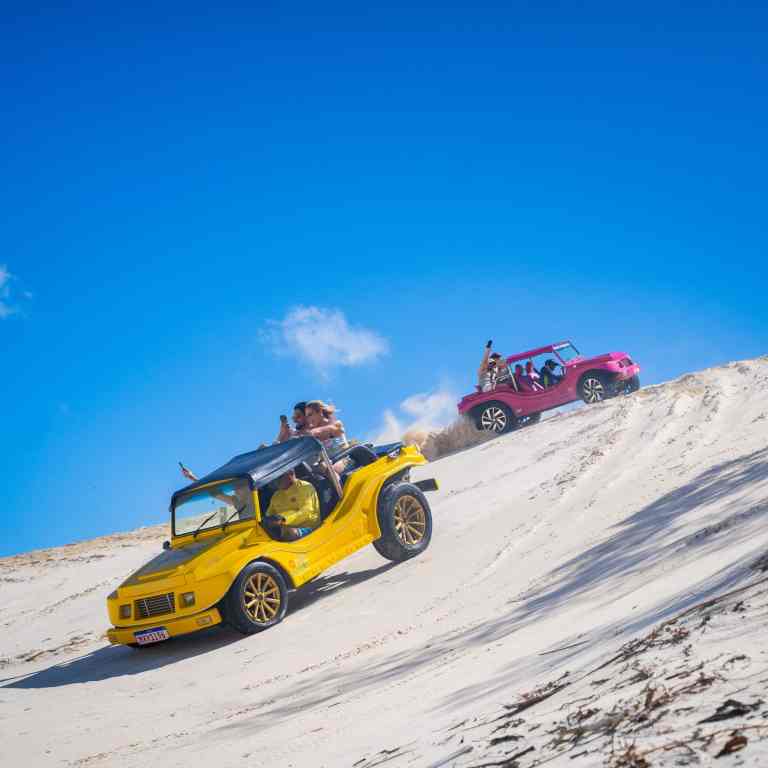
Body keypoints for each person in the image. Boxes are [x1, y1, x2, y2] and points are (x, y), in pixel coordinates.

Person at [263, 469, 320, 541]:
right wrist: (267, 521)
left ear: (291, 474)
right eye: (274, 477)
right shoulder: (276, 495)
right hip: (285, 532)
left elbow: (306, 512)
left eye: (279, 477)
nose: (276, 481)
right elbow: (269, 515)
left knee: (291, 533)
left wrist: (283, 519)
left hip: (309, 528)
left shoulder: (305, 487)